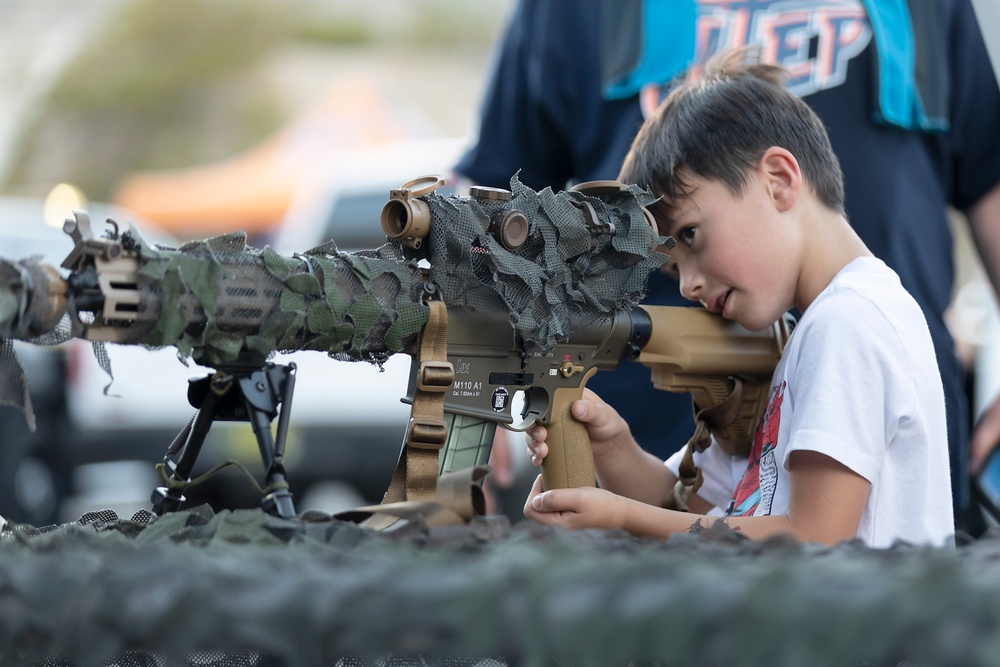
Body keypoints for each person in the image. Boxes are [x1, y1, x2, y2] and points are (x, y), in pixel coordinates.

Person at [453, 0, 1000, 537]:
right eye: (674, 269)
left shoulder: (847, 327)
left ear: (780, 180)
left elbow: (814, 539)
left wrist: (621, 518)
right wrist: (616, 449)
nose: (689, 286)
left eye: (691, 236)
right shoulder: (807, 334)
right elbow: (716, 507)